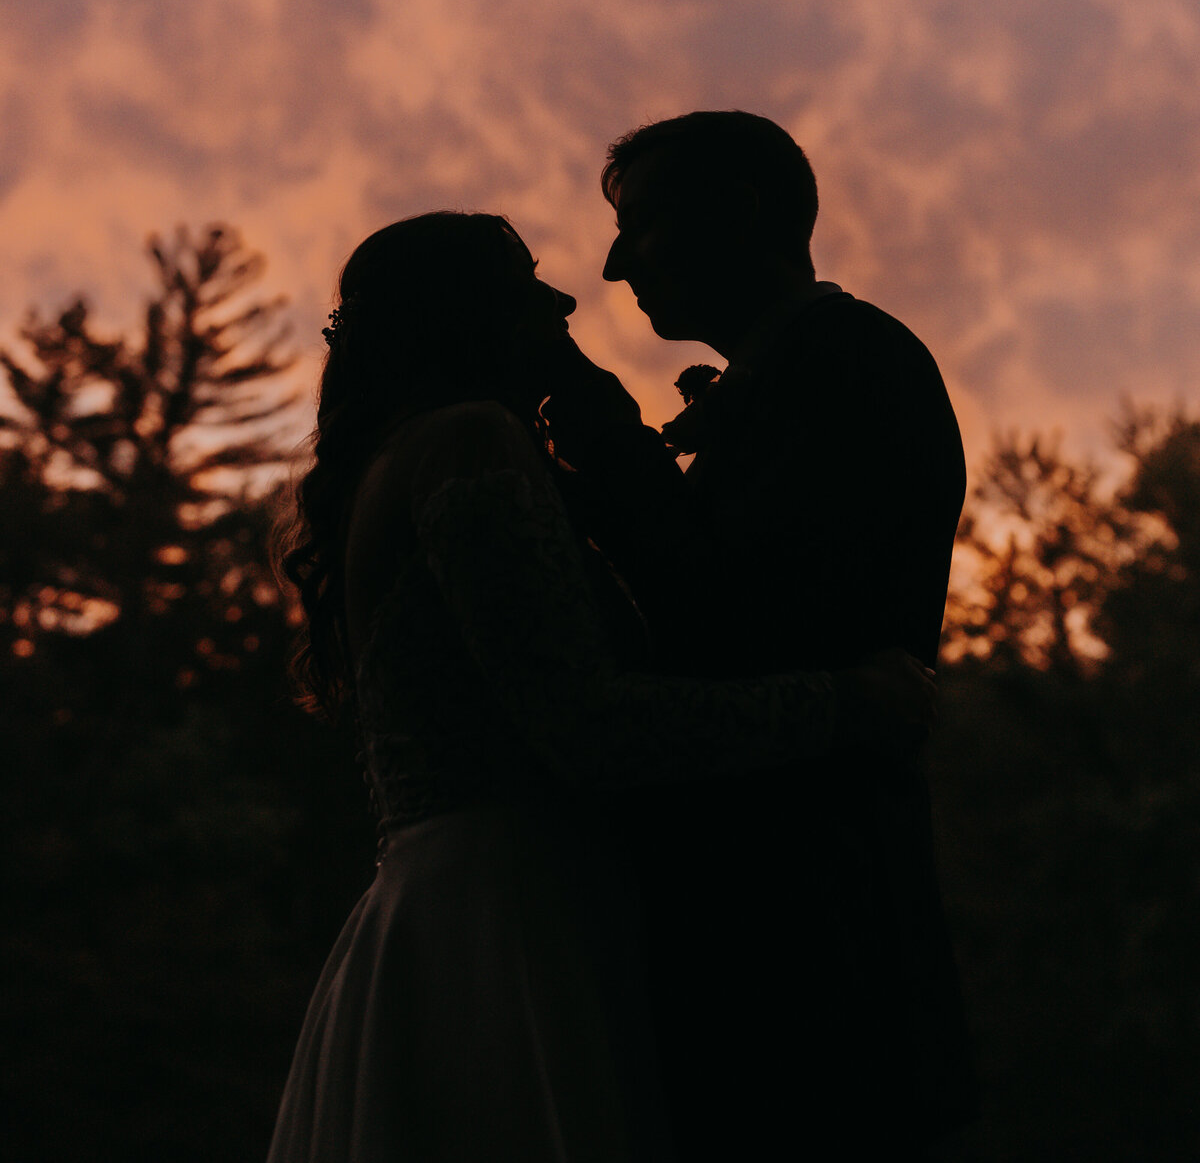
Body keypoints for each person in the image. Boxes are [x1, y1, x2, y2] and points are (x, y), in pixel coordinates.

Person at [265, 209, 936, 1163]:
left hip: (447, 904)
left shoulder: (398, 459)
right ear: (476, 312)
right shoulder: (468, 444)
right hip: (515, 925)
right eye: (528, 282)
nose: (565, 297)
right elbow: (590, 724)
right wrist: (845, 702)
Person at [542, 111, 978, 1161]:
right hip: (768, 924)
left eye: (638, 225)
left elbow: (738, 613)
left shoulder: (851, 363)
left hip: (816, 937)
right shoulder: (805, 371)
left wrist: (600, 431)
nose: (611, 262)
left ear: (737, 211)